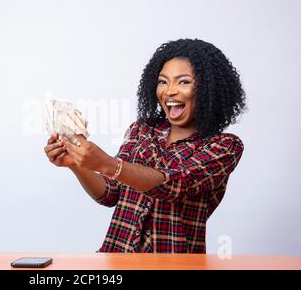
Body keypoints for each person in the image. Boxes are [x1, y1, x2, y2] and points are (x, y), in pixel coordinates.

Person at [43, 38, 246, 253]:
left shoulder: (224, 147)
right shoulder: (141, 130)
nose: (169, 91)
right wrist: (76, 164)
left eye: (183, 82)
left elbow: (173, 185)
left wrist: (106, 163)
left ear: (208, 89)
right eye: (162, 81)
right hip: (117, 261)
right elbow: (111, 193)